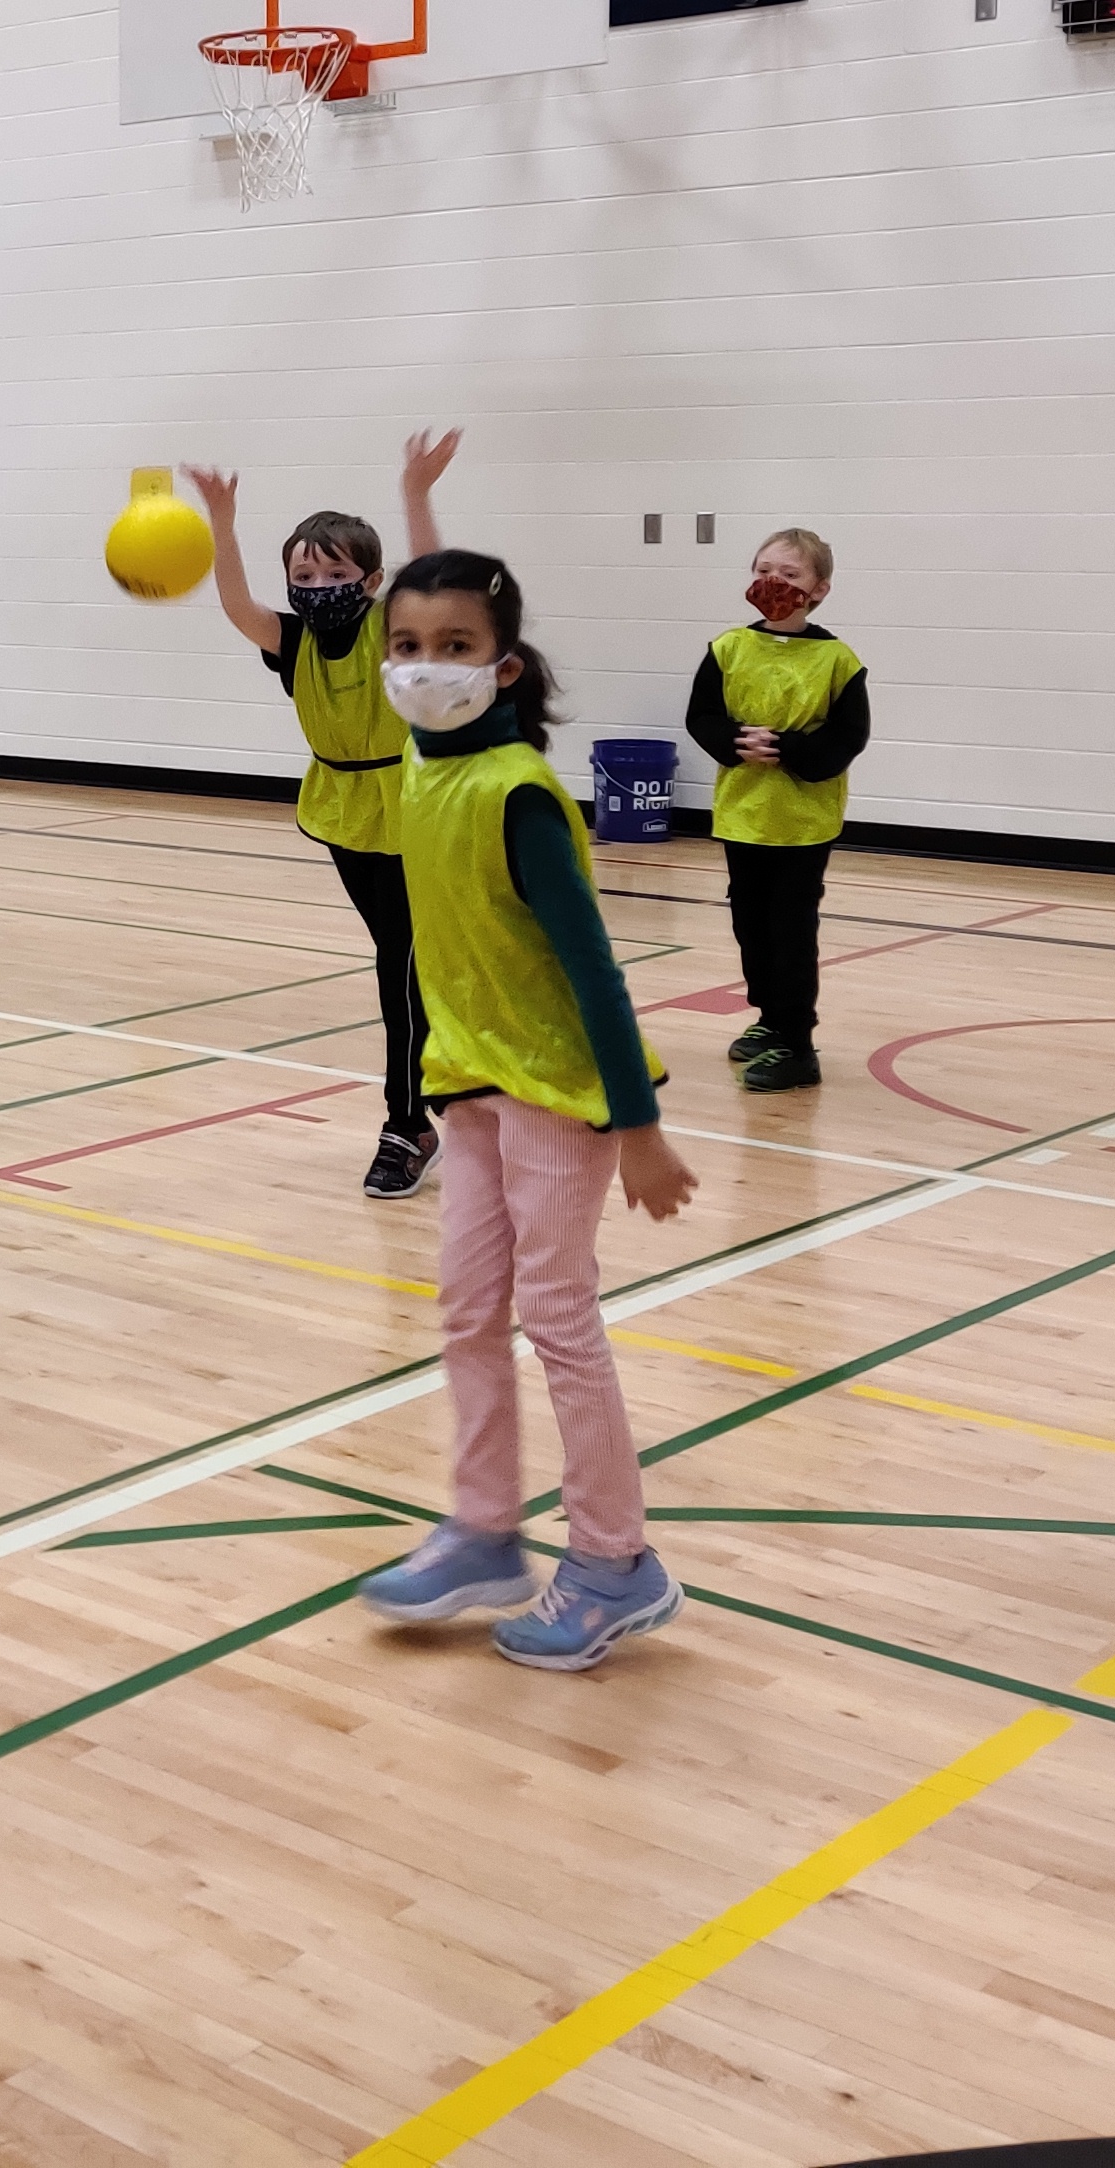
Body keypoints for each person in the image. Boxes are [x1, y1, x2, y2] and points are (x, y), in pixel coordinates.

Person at [358, 550, 700, 1671]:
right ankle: (484, 1529)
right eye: (407, 647)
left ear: (502, 667)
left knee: (557, 1317)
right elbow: (427, 591)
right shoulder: (421, 771)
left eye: (454, 648)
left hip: (559, 1091)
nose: (425, 667)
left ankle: (614, 1562)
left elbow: (595, 968)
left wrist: (640, 1128)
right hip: (470, 1083)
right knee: (466, 1311)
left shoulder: (516, 794)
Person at [185, 433, 458, 1199]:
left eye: (334, 573)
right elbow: (237, 604)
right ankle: (442, 1082)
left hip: (415, 804)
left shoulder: (392, 628)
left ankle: (408, 1123)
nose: (316, 585)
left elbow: (437, 583)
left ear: (370, 580)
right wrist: (222, 523)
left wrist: (416, 494)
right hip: (343, 807)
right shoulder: (293, 637)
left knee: (401, 966)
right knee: (405, 961)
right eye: (303, 574)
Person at [686, 527, 872, 1094]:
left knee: (791, 930)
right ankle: (770, 1017)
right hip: (743, 815)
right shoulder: (728, 648)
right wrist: (733, 741)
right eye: (765, 570)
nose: (775, 582)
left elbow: (848, 737)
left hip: (802, 822)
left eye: (790, 575)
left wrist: (790, 749)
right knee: (751, 924)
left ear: (819, 589)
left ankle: (797, 1044)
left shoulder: (837, 660)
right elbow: (702, 716)